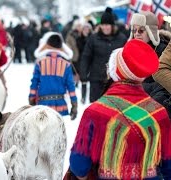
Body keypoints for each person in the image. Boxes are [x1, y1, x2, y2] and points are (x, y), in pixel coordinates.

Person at [69, 39, 171, 179]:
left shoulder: (95, 112)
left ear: (114, 72)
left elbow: (79, 166)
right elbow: (168, 167)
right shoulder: (159, 113)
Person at [80, 7, 127, 103]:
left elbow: (125, 58)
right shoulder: (93, 39)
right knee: (96, 107)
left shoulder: (121, 39)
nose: (105, 27)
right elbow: (86, 57)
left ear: (112, 25)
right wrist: (83, 73)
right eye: (103, 25)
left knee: (113, 108)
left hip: (114, 80)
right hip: (96, 79)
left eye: (108, 25)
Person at [29, 32, 77, 120]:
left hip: (42, 106)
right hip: (61, 106)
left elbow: (34, 83)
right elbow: (71, 86)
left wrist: (31, 99)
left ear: (47, 46)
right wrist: (74, 105)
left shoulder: (40, 63)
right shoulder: (66, 65)